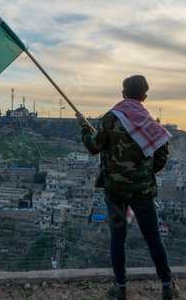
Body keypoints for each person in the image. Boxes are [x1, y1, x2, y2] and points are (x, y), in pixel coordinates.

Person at [75, 75, 179, 300]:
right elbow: (161, 155)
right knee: (153, 237)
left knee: (117, 237)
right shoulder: (150, 122)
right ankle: (167, 286)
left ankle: (120, 288)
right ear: (144, 97)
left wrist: (84, 127)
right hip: (143, 190)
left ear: (123, 93)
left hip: (115, 190)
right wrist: (144, 174)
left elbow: (94, 147)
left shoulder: (111, 118)